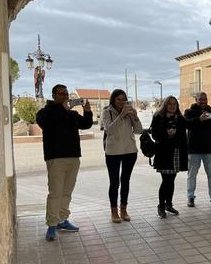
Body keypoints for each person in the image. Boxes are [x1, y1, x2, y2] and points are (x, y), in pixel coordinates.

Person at [36, 84, 93, 241]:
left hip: (73, 157)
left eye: (66, 93)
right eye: (61, 94)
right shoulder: (45, 112)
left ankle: (62, 220)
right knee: (55, 192)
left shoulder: (72, 114)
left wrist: (87, 111)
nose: (65, 96)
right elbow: (46, 123)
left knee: (67, 192)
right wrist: (62, 108)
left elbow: (86, 124)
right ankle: (52, 224)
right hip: (55, 158)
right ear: (54, 96)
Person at [102, 89, 143, 223]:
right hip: (113, 152)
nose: (121, 102)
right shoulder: (107, 112)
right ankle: (114, 212)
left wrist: (135, 117)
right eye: (118, 99)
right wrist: (121, 116)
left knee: (125, 181)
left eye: (123, 99)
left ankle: (123, 210)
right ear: (113, 99)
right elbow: (109, 130)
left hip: (130, 151)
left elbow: (139, 130)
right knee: (114, 183)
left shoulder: (129, 112)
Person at [184, 92, 211, 209]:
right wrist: (199, 119)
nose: (203, 102)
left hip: (210, 149)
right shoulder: (189, 112)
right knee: (192, 175)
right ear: (195, 99)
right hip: (194, 150)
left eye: (205, 99)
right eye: (200, 99)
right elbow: (186, 125)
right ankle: (190, 197)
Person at [151, 96, 188, 218]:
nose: (172, 106)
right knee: (166, 180)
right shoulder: (158, 117)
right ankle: (161, 206)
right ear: (165, 105)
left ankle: (169, 204)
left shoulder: (179, 118)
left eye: (174, 104)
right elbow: (155, 134)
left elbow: (189, 125)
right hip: (163, 154)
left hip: (176, 153)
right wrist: (167, 134)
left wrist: (200, 118)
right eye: (170, 104)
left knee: (171, 180)